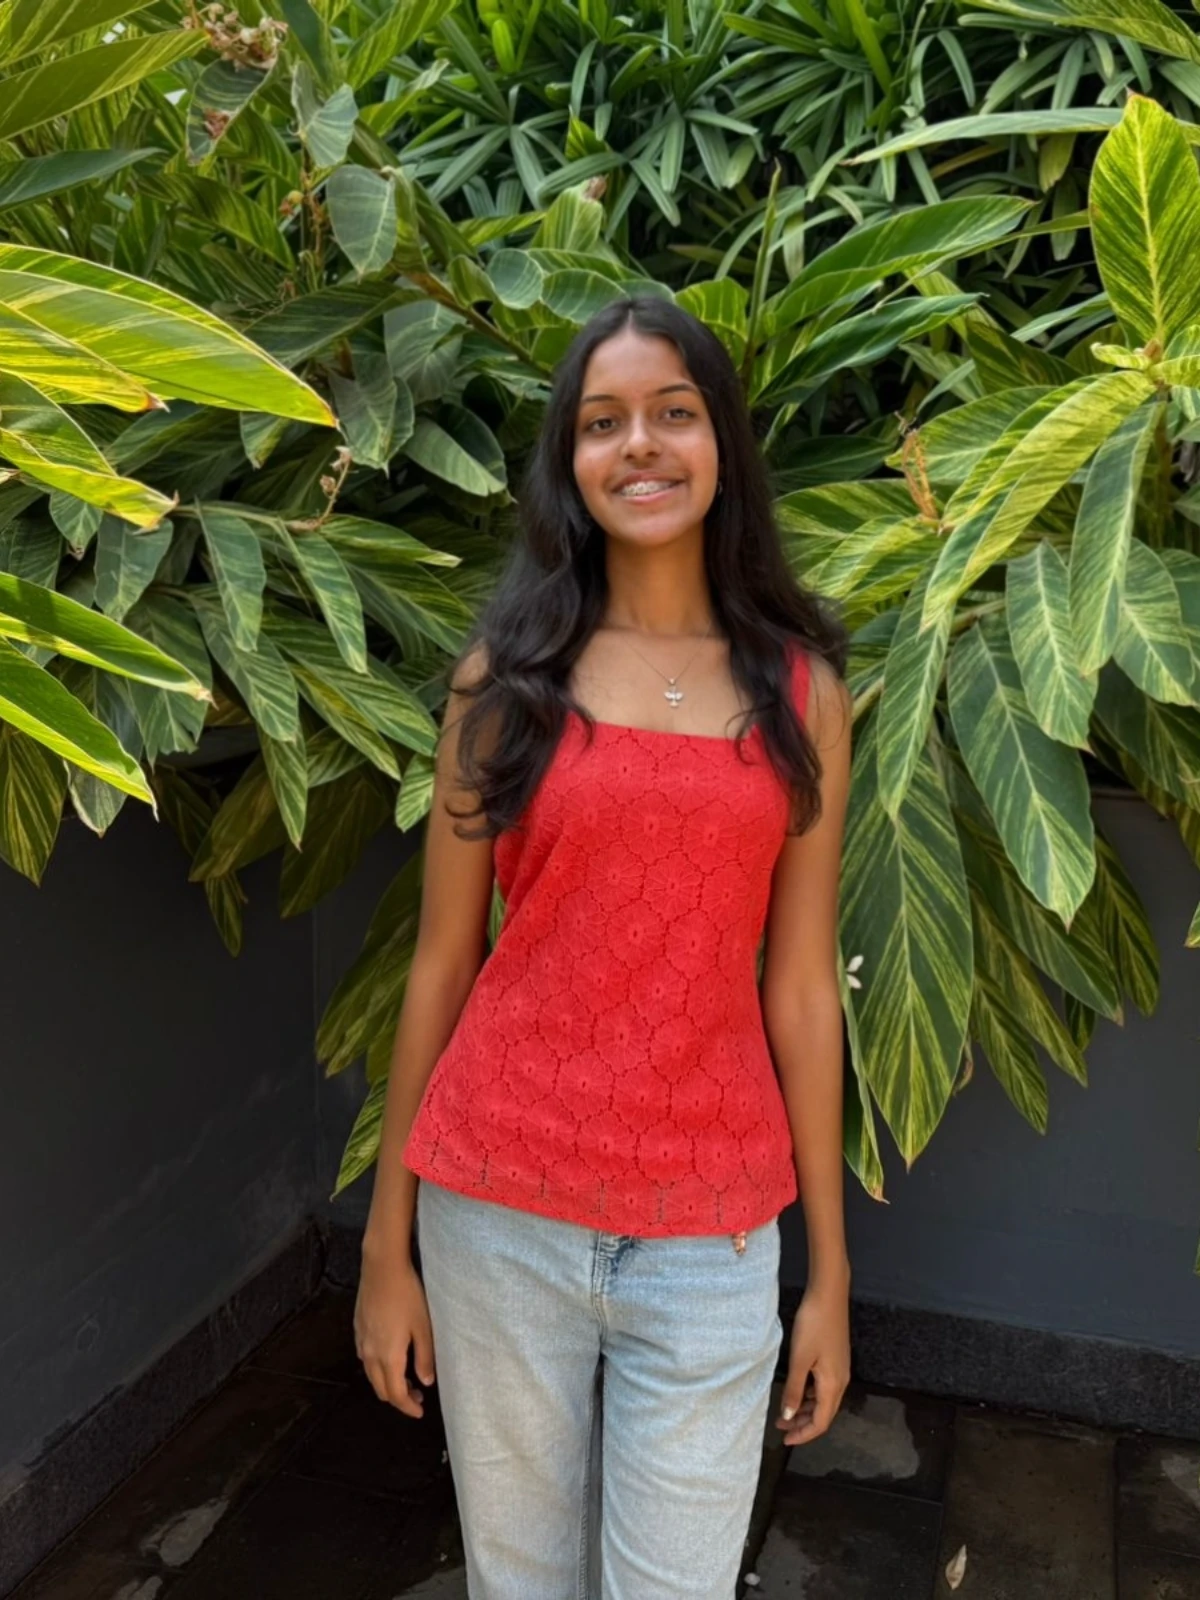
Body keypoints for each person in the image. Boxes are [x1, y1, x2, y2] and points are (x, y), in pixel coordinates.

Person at [354, 292, 854, 1599]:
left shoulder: (801, 693)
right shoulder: (503, 681)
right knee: (518, 1581)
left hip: (712, 1233)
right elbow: (442, 966)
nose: (639, 445)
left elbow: (804, 990)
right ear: (569, 461)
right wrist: (385, 1248)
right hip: (497, 1209)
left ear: (721, 441)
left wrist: (830, 1276)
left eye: (673, 413)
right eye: (602, 422)